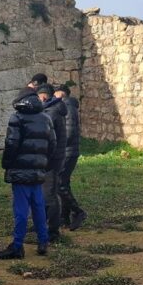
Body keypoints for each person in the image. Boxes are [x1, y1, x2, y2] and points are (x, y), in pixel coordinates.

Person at [0, 91, 55, 259]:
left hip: (20, 171)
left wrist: (7, 164)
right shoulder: (46, 118)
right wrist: (44, 163)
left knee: (21, 210)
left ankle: (17, 246)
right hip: (38, 171)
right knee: (38, 208)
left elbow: (11, 144)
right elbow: (52, 144)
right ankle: (43, 242)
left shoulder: (17, 118)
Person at [37, 83, 67, 242]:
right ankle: (45, 225)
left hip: (52, 161)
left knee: (50, 196)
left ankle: (53, 231)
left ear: (43, 97)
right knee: (48, 194)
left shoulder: (52, 113)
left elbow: (49, 141)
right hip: (53, 159)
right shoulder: (53, 111)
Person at [54, 84, 87, 231]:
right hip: (67, 152)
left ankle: (78, 212)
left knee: (59, 184)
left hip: (67, 152)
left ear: (61, 94)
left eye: (55, 94)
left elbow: (69, 132)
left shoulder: (68, 107)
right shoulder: (66, 107)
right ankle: (64, 217)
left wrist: (55, 144)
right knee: (63, 184)